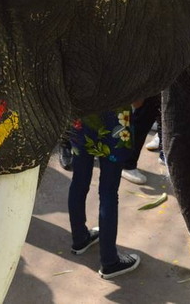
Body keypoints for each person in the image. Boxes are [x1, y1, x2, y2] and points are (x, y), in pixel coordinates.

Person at [68, 107, 141, 279]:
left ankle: (79, 239)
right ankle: (109, 261)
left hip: (82, 117)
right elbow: (139, 97)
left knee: (79, 181)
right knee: (108, 191)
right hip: (115, 120)